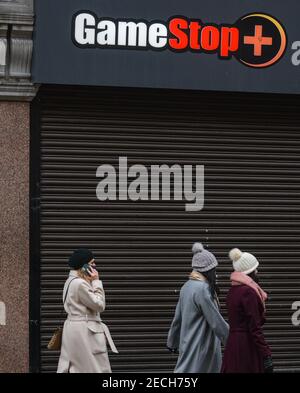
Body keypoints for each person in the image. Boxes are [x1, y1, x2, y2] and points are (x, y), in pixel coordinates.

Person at [167, 242, 229, 373]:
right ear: (208, 270)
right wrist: (232, 339)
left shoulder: (186, 286)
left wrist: (172, 341)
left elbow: (177, 318)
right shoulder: (203, 289)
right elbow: (216, 321)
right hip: (202, 345)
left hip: (187, 342)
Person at [57, 248, 118, 373]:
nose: (95, 266)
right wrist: (96, 281)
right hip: (84, 332)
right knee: (92, 368)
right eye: (92, 263)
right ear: (84, 266)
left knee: (76, 367)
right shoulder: (80, 284)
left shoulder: (71, 281)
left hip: (74, 329)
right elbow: (99, 305)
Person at [221, 248, 273, 373]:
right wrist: (266, 353)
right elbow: (254, 327)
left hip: (233, 345)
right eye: (255, 270)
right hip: (247, 347)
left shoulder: (232, 291)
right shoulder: (248, 292)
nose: (257, 272)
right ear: (250, 273)